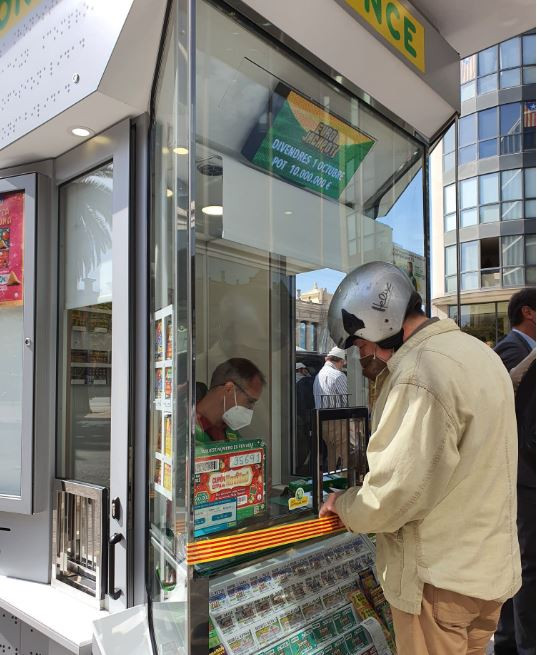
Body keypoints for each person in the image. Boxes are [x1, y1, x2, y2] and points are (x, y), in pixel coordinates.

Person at [320, 261, 521, 655]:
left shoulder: (418, 373)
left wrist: (342, 504)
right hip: (486, 575)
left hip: (438, 582)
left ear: (379, 324)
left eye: (360, 344)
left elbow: (392, 496)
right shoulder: (478, 354)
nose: (362, 355)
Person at [493, 288, 535, 655]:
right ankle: (524, 645)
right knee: (526, 565)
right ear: (528, 312)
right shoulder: (512, 349)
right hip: (522, 476)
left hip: (523, 475)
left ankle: (510, 641)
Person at [195, 358, 265, 443]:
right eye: (250, 401)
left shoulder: (230, 431)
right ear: (229, 389)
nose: (250, 409)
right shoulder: (186, 427)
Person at [295, 362, 315, 474]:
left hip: (296, 416)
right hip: (304, 417)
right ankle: (304, 468)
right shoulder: (305, 382)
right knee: (305, 444)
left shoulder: (290, 381)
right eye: (305, 369)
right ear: (301, 370)